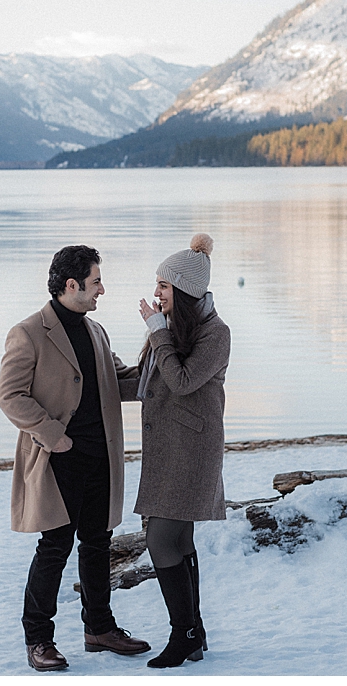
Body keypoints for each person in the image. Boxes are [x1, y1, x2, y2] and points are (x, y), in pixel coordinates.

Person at [0, 245, 150, 672]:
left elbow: (122, 380)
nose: (102, 289)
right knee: (55, 548)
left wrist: (164, 349)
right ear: (72, 285)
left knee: (98, 543)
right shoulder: (27, 332)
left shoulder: (96, 331)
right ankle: (38, 640)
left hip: (101, 459)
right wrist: (55, 437)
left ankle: (99, 628)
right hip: (57, 459)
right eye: (96, 281)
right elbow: (10, 397)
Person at [134, 233, 230, 668]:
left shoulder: (216, 333)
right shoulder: (173, 330)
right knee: (179, 539)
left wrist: (157, 333)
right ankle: (195, 631)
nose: (156, 294)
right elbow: (147, 379)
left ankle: (184, 633)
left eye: (164, 286)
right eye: (158, 284)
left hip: (192, 451)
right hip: (168, 448)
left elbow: (183, 381)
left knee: (160, 540)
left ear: (185, 292)